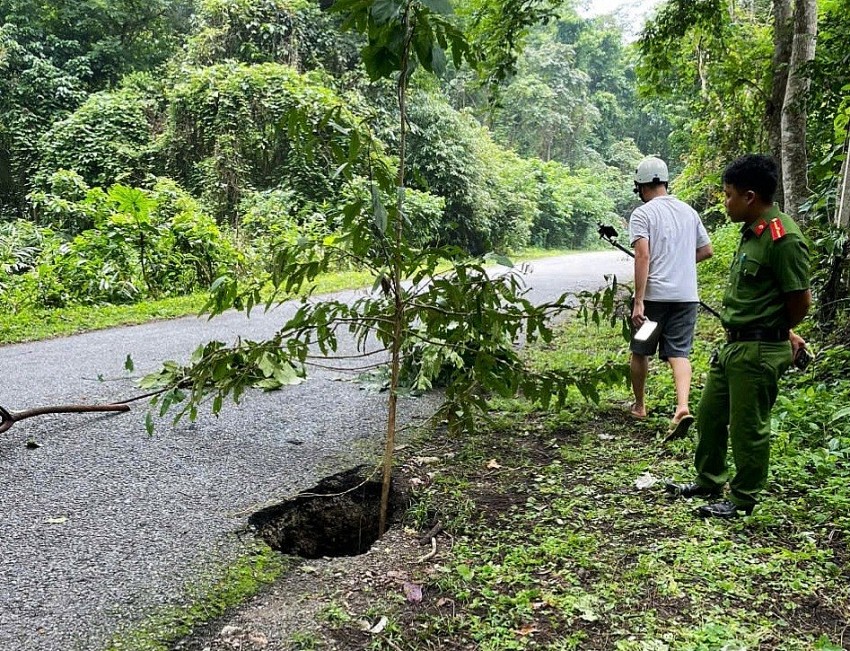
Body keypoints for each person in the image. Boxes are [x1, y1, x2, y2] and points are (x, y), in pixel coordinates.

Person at [666, 154, 811, 518]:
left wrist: (779, 331)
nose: (725, 202)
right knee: (710, 414)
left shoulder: (783, 238)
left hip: (758, 349)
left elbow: (799, 301)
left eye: (729, 195)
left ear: (749, 196)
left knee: (748, 427)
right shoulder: (752, 232)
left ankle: (743, 499)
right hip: (734, 344)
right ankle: (709, 479)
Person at [628, 156, 713, 440]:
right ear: (665, 181)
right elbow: (706, 250)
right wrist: (680, 263)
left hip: (654, 301)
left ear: (641, 186)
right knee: (679, 352)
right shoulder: (689, 212)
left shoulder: (642, 214)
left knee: (641, 348)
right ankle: (682, 407)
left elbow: (642, 256)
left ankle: (640, 406)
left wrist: (639, 301)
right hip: (686, 298)